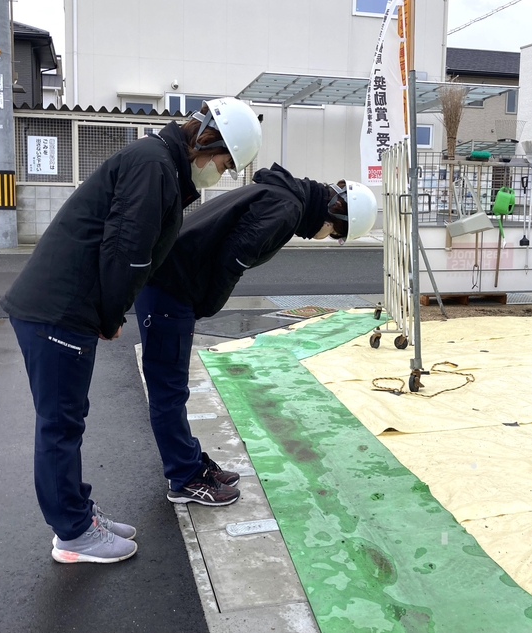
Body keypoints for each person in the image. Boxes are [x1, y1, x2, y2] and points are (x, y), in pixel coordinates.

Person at [1, 98, 262, 564]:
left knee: (67, 419)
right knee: (60, 424)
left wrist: (108, 313)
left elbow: (129, 249)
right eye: (223, 163)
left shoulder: (160, 164)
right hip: (59, 308)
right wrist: (109, 314)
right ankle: (73, 534)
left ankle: (77, 515)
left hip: (65, 306)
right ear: (207, 142)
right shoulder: (154, 166)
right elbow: (127, 252)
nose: (220, 173)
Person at [135, 163, 378, 506]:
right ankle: (184, 478)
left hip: (172, 282)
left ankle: (189, 462)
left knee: (174, 388)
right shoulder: (286, 208)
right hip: (170, 288)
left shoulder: (282, 196)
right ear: (334, 215)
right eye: (339, 233)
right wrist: (207, 305)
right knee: (169, 391)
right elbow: (234, 259)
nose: (333, 238)